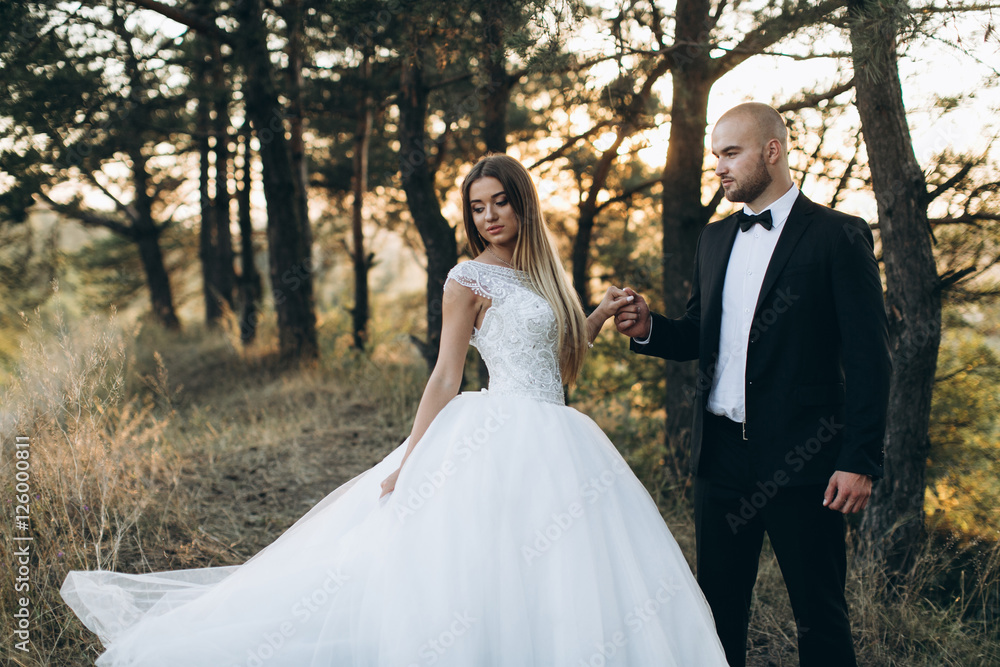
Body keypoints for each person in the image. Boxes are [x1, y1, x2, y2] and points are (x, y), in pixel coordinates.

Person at [61, 154, 729, 666]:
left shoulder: (542, 277)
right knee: (473, 562)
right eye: (477, 207)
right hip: (493, 431)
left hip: (558, 435)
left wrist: (599, 314)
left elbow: (555, 356)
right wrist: (412, 459)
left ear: (523, 205)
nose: (489, 216)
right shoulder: (469, 279)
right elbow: (445, 374)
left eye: (501, 203)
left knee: (560, 569)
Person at [613, 102, 891, 667]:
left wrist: (860, 458)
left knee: (820, 617)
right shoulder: (714, 240)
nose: (718, 166)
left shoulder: (838, 236)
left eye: (730, 153)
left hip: (805, 461)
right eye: (715, 154)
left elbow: (870, 358)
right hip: (720, 461)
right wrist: (649, 330)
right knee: (717, 615)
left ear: (772, 151)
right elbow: (699, 333)